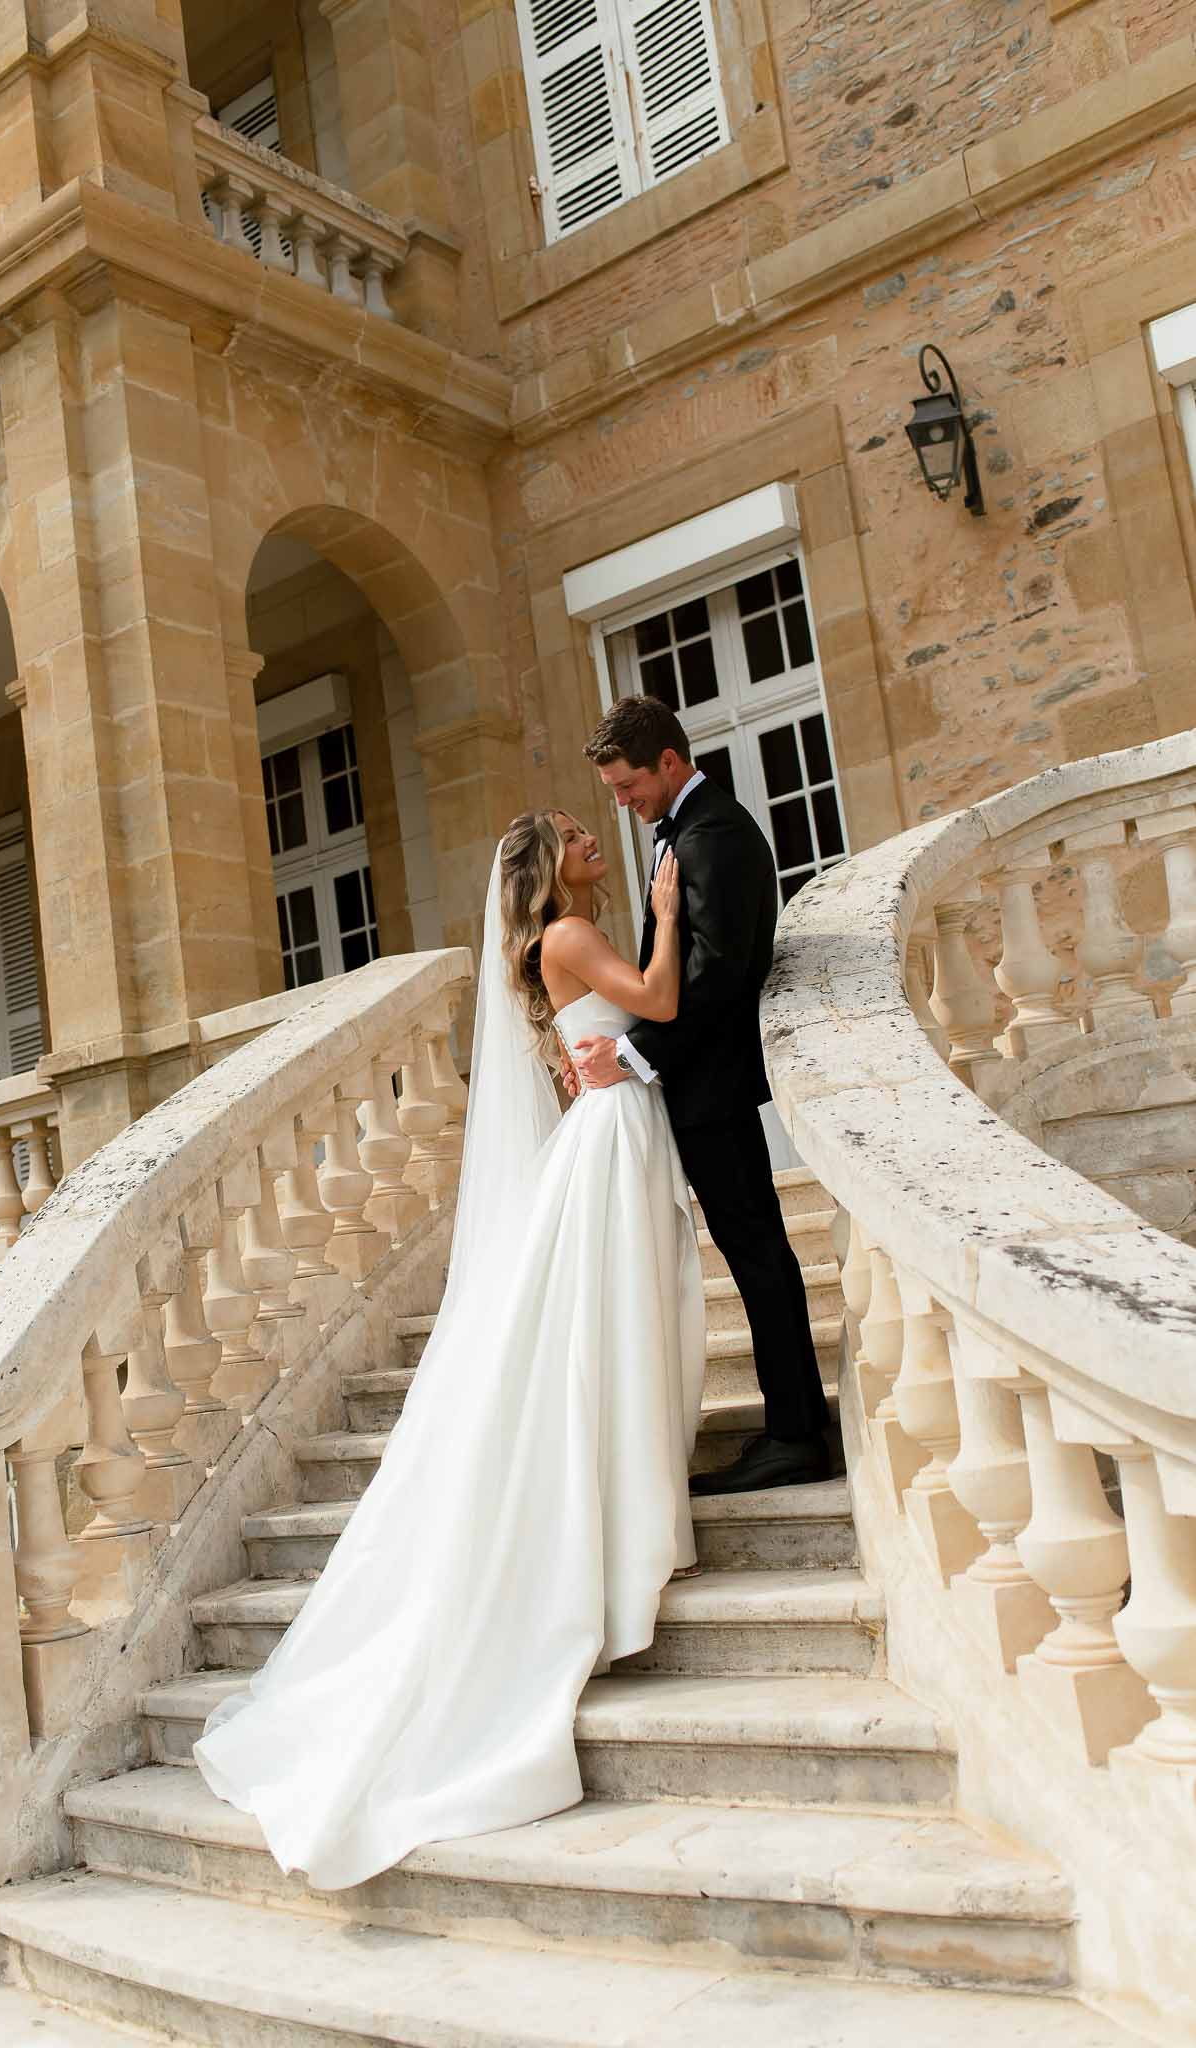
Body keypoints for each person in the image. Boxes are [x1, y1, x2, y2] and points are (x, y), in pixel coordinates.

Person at [194, 809, 706, 1891]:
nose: (589, 842)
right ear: (540, 867)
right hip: (610, 1143)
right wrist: (667, 918)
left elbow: (596, 1048)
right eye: (573, 836)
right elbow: (657, 999)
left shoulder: (541, 951)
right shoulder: (565, 938)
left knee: (614, 1335)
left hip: (608, 1129)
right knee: (608, 1336)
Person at [575, 694, 830, 1495]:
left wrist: (635, 1056)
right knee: (752, 1253)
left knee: (758, 1254)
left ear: (669, 763)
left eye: (627, 786)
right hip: (695, 1087)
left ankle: (795, 1434)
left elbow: (716, 974)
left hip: (709, 1087)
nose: (622, 802)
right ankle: (790, 1428)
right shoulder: (685, 830)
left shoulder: (712, 832)